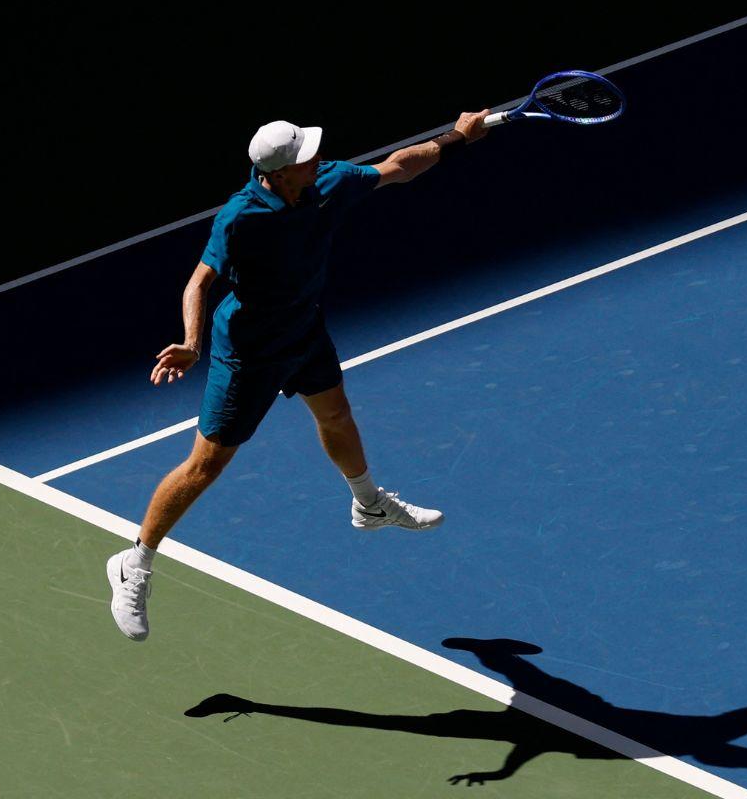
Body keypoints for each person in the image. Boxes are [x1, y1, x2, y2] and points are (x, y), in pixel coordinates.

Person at [107, 109, 491, 641]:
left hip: (304, 333)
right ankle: (135, 564)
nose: (318, 158)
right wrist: (193, 344)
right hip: (248, 353)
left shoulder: (325, 180)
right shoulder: (240, 218)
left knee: (336, 414)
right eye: (307, 156)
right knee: (205, 465)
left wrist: (457, 138)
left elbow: (398, 167)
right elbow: (199, 282)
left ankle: (369, 504)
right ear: (280, 174)